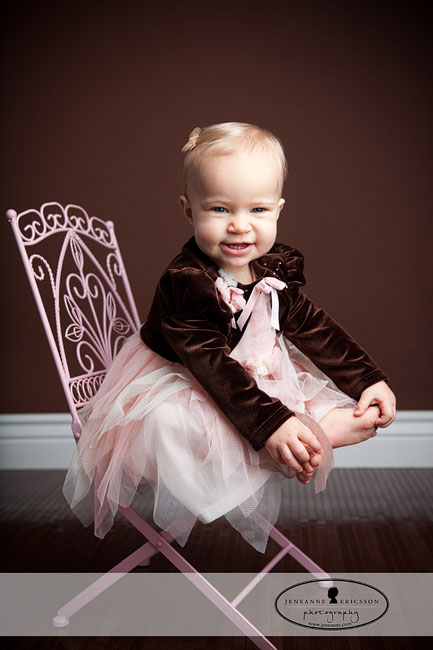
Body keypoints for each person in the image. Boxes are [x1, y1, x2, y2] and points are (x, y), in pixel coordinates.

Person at [63, 122, 396, 554]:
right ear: (189, 210)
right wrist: (272, 423)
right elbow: (213, 368)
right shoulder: (187, 283)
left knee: (286, 388)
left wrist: (367, 378)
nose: (240, 226)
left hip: (246, 373)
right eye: (220, 209)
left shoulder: (274, 267)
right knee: (175, 420)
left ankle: (302, 429)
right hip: (188, 375)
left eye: (257, 210)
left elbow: (311, 324)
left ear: (278, 210)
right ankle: (300, 438)